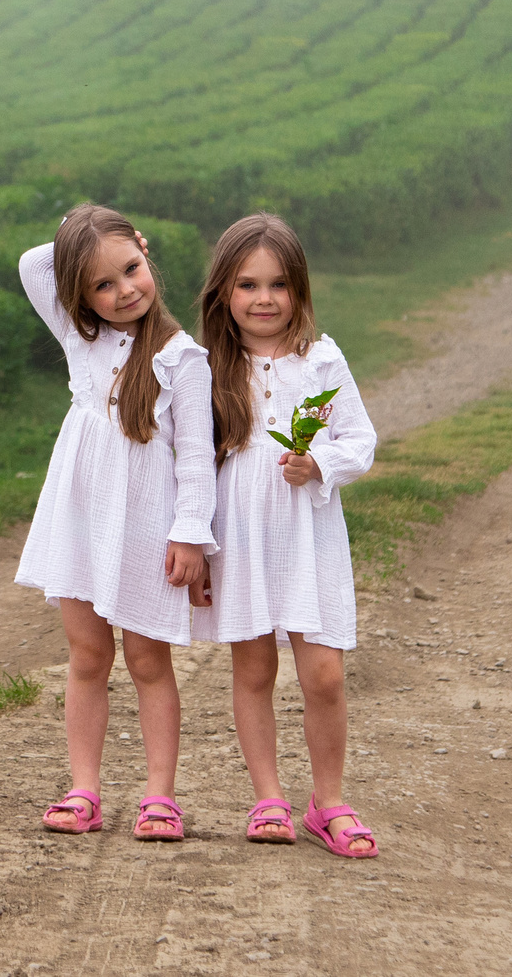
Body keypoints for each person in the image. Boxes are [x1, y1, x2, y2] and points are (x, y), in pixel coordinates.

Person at [13, 205, 216, 842]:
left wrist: (190, 533)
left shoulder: (183, 358)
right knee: (88, 655)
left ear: (147, 256)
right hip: (79, 517)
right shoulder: (82, 336)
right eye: (103, 284)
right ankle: (84, 789)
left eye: (132, 268)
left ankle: (160, 795)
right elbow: (33, 264)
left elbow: (198, 458)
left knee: (148, 659)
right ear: (80, 295)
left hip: (147, 525)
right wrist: (88, 227)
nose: (124, 290)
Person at [195, 212, 380, 858]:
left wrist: (320, 463)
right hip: (242, 537)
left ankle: (328, 800)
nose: (264, 298)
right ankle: (268, 794)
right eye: (247, 284)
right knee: (253, 667)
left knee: (323, 673)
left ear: (299, 289)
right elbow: (192, 460)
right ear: (224, 291)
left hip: (309, 537)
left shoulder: (321, 360)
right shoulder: (207, 366)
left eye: (278, 284)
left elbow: (361, 441)